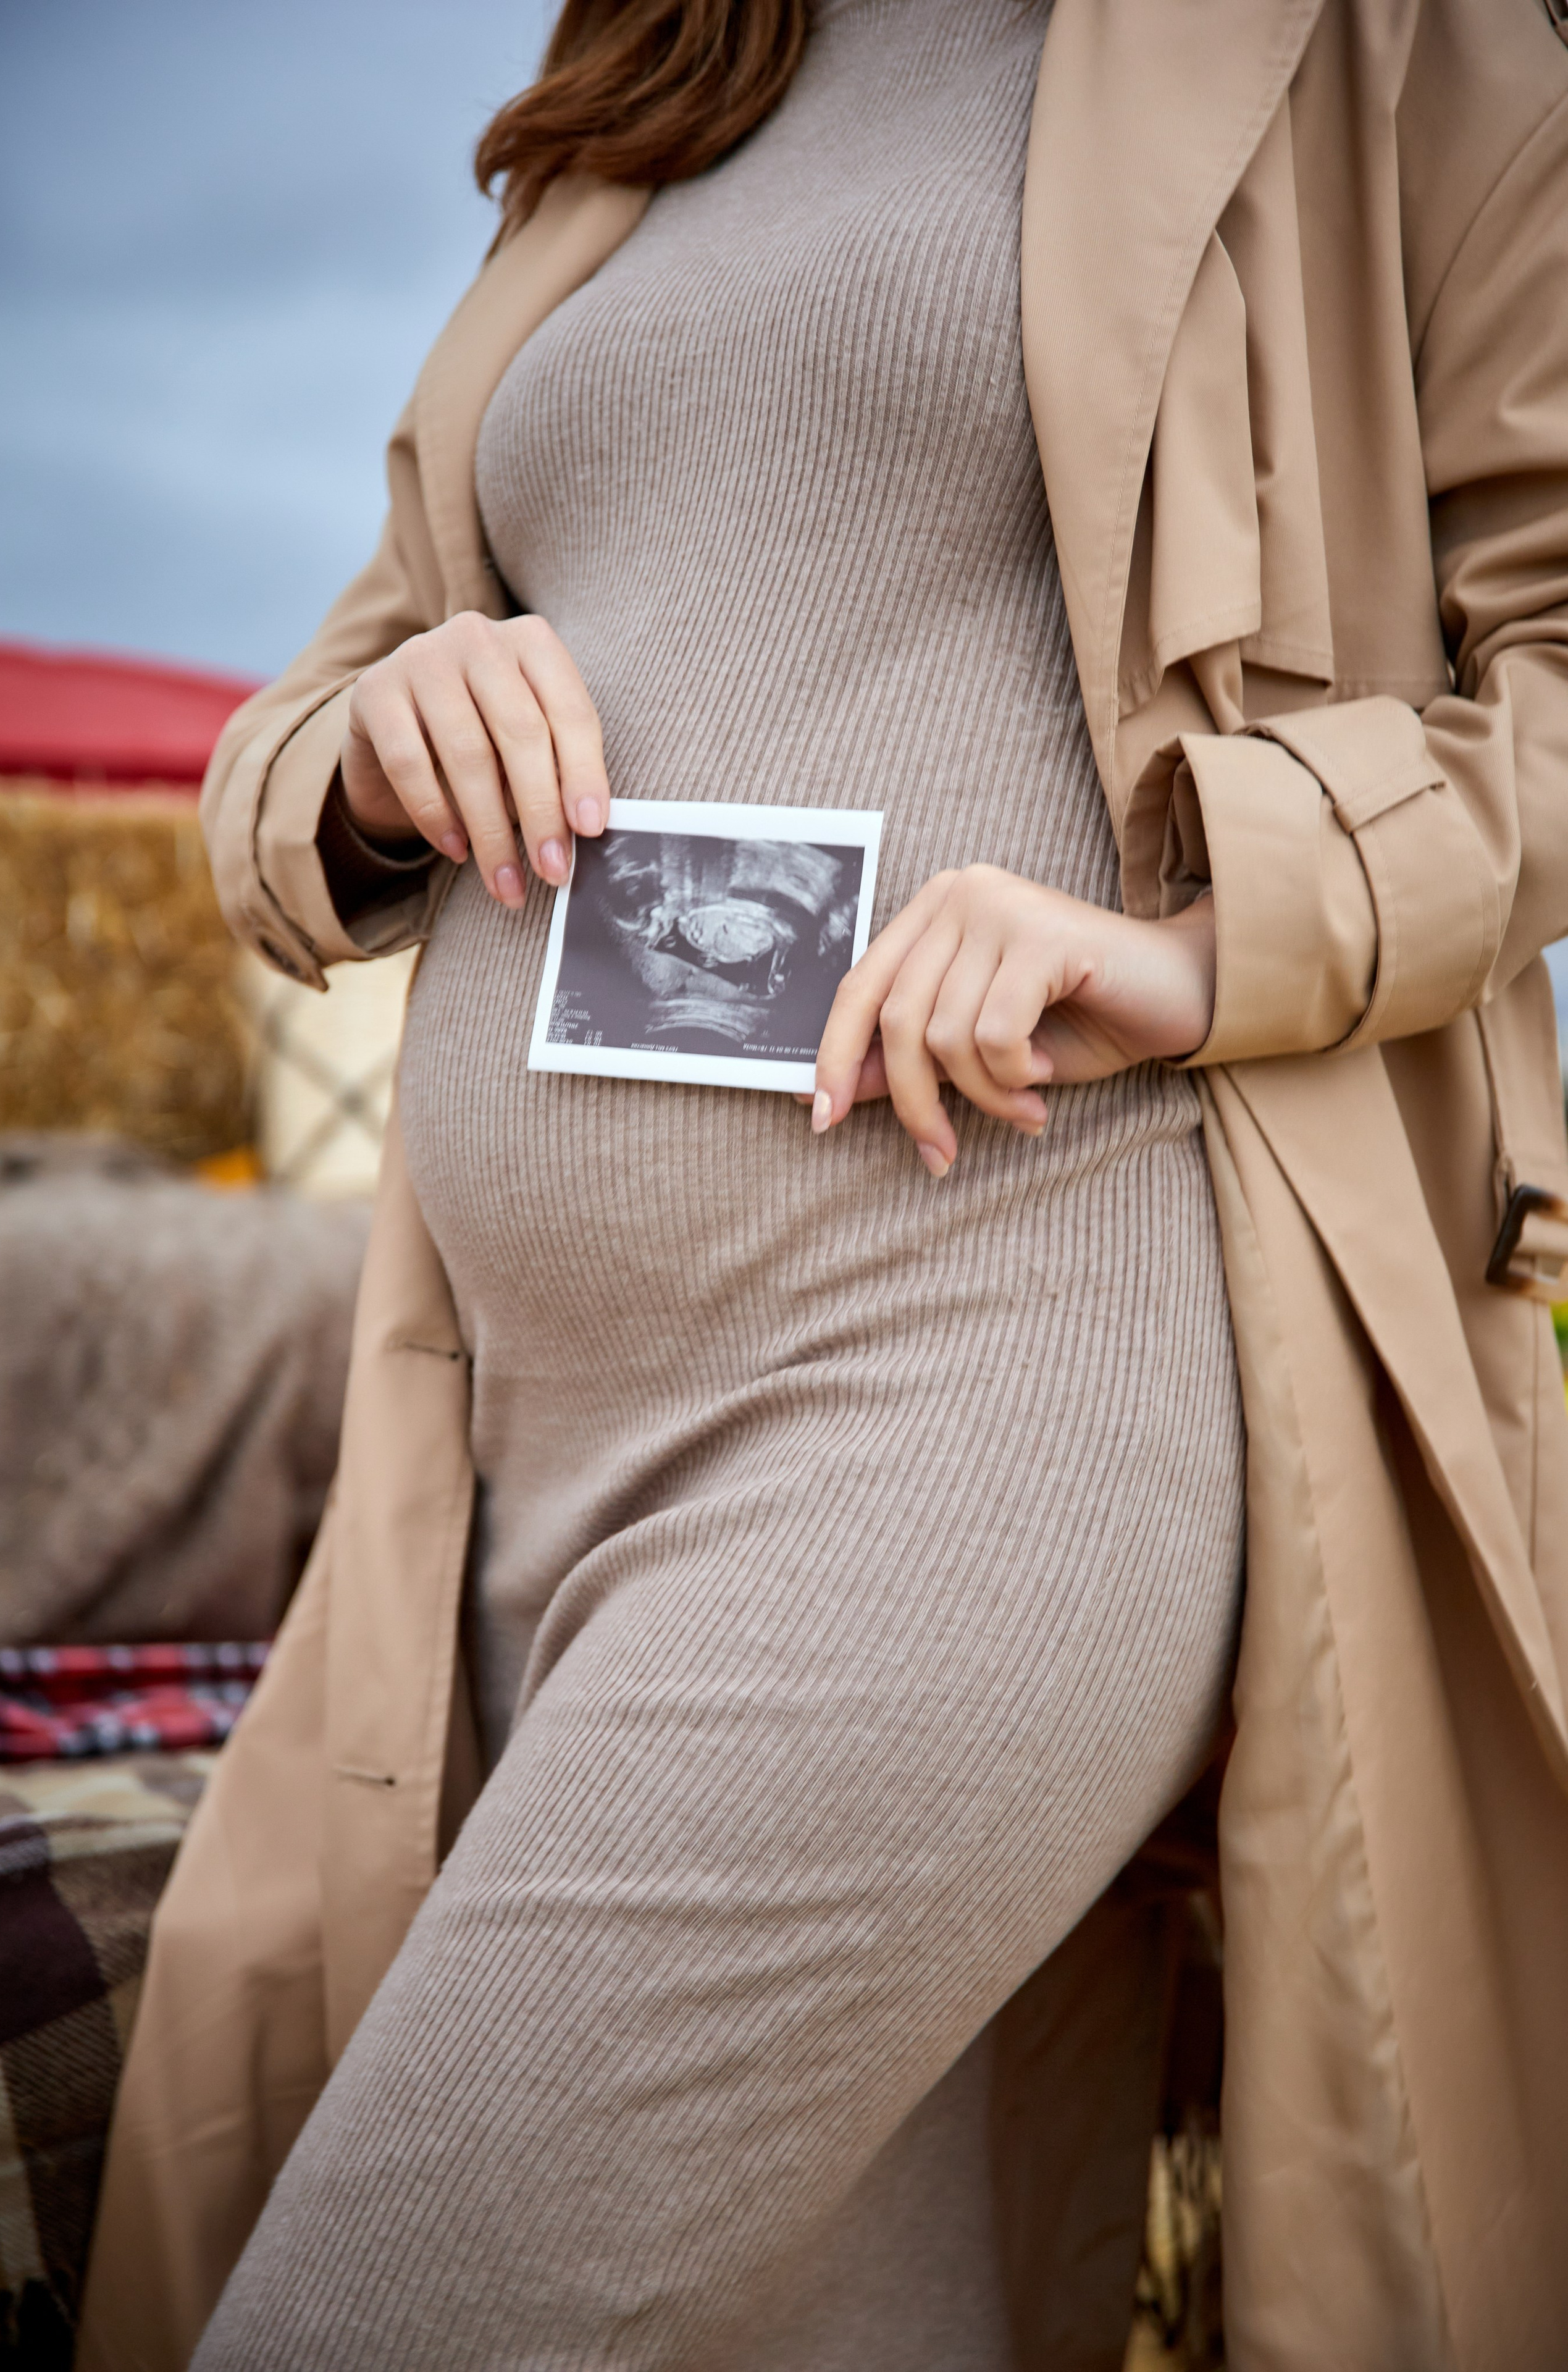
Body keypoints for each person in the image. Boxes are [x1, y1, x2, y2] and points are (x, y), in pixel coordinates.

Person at [77, 0, 1568, 2365]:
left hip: (987, 1383)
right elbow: (315, 708)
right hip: (519, 1454)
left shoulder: (1395, 34)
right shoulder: (652, 69)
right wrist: (372, 742)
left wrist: (1207, 939)